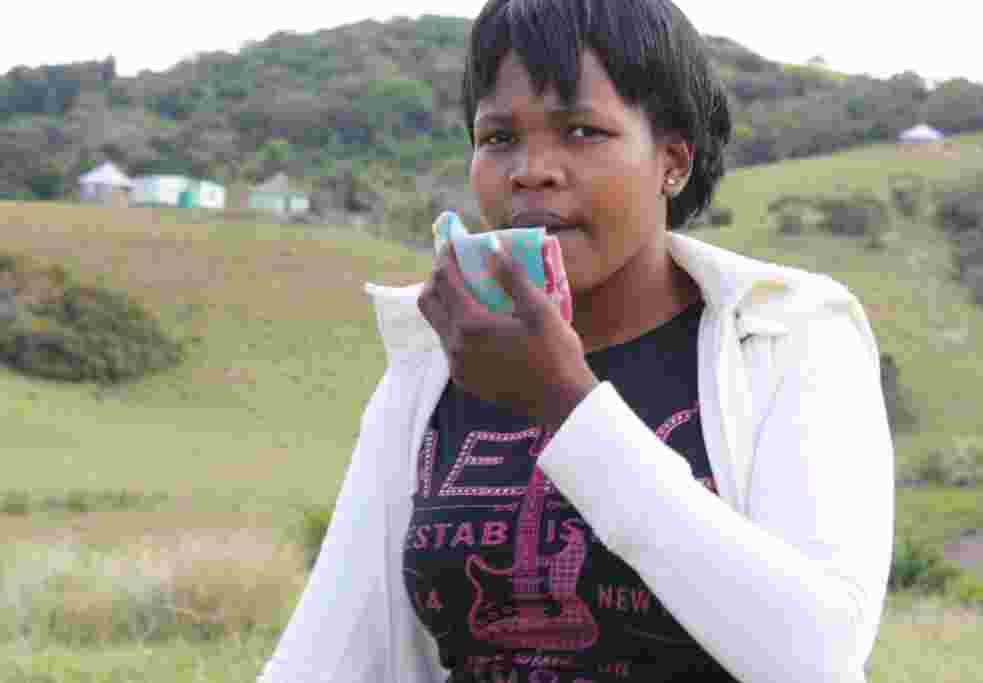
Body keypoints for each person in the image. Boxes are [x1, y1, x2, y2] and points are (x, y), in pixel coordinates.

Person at [257, 0, 894, 681]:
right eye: (498, 138)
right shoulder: (436, 363)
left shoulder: (785, 339)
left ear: (673, 161)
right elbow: (329, 656)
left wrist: (566, 402)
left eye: (583, 131)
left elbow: (818, 654)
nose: (531, 170)